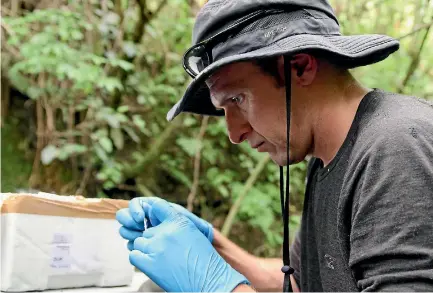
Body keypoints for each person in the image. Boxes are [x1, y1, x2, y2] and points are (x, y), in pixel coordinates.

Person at [116, 0, 433, 291]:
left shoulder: (397, 146)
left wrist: (217, 286)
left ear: (300, 67)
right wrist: (211, 247)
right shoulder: (326, 159)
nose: (234, 133)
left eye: (237, 99)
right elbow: (297, 283)